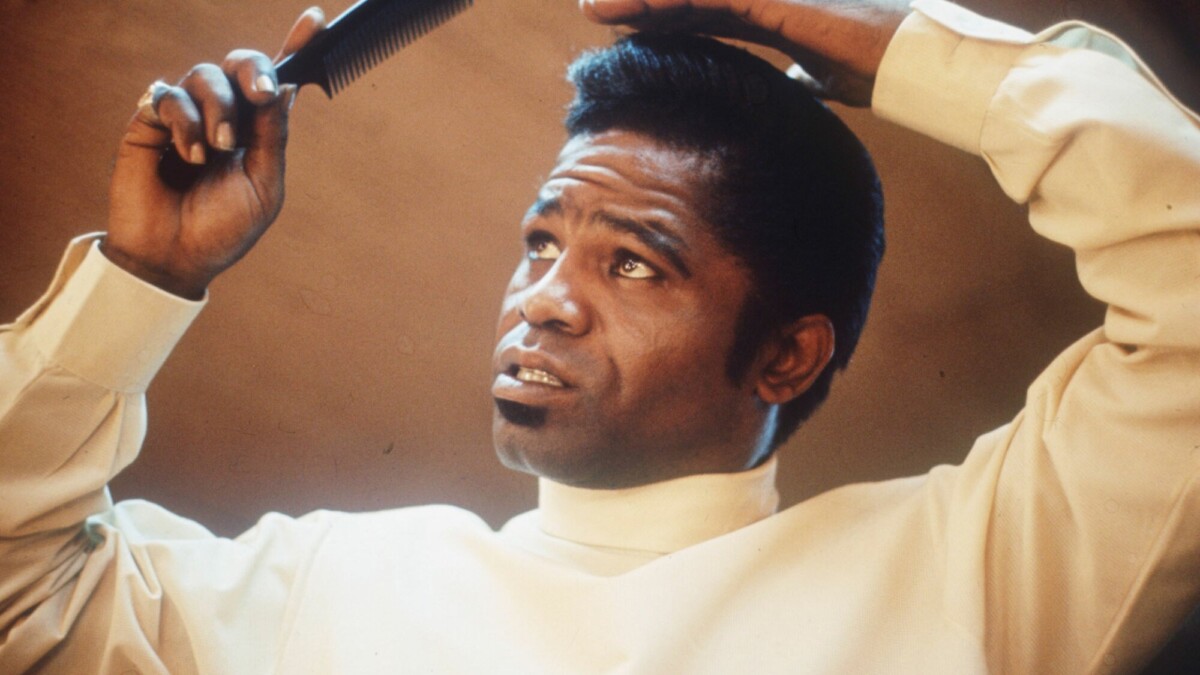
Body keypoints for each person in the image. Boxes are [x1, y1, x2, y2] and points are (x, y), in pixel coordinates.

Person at [1, 0, 1197, 671]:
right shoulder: (315, 594)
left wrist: (859, 30)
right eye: (540, 242)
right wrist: (140, 279)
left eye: (632, 261)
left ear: (789, 354)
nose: (544, 300)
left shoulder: (975, 577)